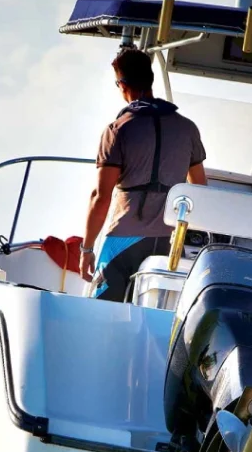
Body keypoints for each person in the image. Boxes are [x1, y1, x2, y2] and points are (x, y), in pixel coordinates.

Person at [79, 48, 208, 301]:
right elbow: (200, 189)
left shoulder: (118, 130)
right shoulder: (187, 128)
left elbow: (100, 197)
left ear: (123, 84)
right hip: (168, 241)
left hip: (125, 237)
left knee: (101, 308)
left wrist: (86, 248)